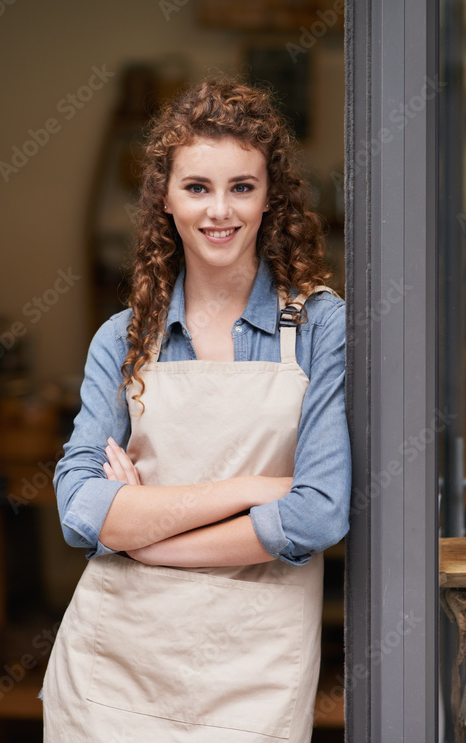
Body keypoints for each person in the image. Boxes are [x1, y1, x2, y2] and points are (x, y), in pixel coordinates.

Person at [42, 77, 350, 742]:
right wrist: (255, 487)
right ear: (166, 199)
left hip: (256, 675)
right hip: (114, 676)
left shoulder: (320, 327)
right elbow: (81, 509)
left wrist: (148, 539)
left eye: (242, 186)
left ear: (271, 197)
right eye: (197, 187)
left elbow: (319, 511)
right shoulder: (122, 339)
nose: (221, 210)